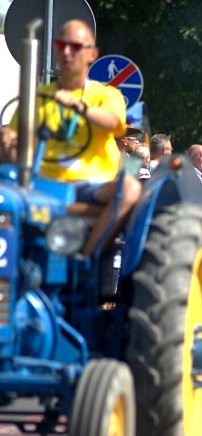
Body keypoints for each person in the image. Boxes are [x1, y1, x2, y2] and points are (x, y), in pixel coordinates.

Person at [0, 19, 141, 258]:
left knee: (130, 188)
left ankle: (85, 258)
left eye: (75, 47)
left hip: (91, 185)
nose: (66, 52)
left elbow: (114, 123)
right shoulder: (38, 97)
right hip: (40, 184)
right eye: (61, 45)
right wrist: (6, 140)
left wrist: (79, 107)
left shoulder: (106, 95)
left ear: (91, 54)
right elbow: (15, 145)